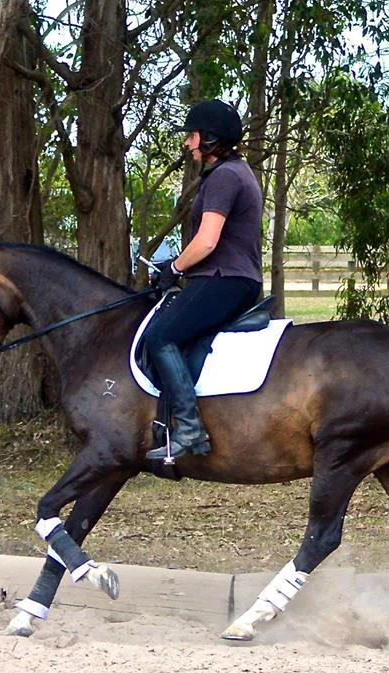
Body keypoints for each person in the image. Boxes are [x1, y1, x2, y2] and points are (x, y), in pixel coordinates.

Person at [143, 99, 263, 461]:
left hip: (225, 278)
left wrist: (174, 268)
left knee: (161, 336)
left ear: (210, 139)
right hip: (231, 278)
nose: (187, 144)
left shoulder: (225, 177)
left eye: (192, 136)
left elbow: (208, 240)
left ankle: (190, 429)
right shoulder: (235, 172)